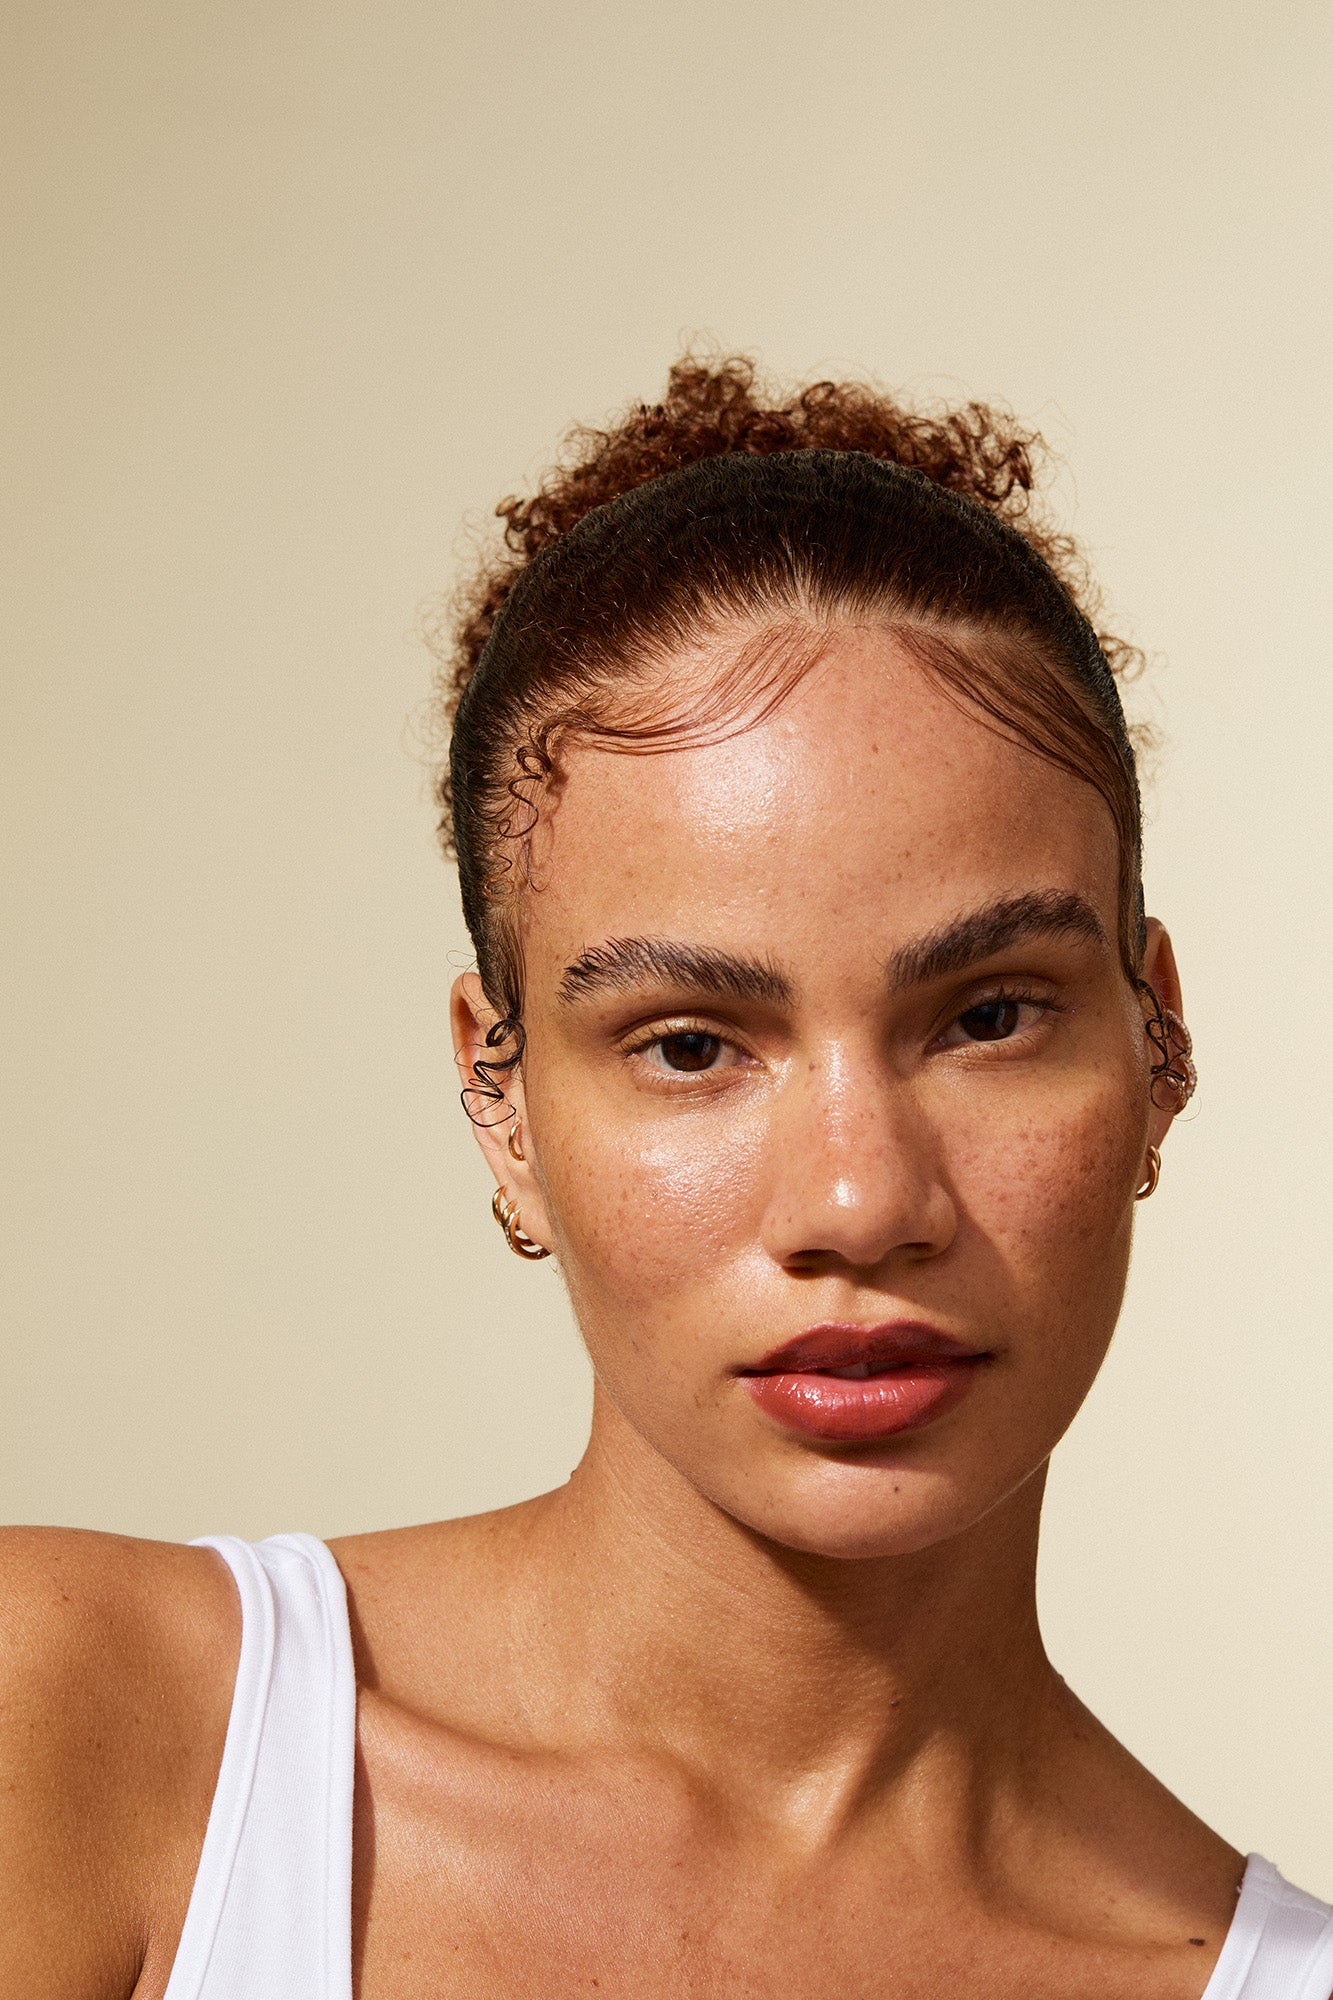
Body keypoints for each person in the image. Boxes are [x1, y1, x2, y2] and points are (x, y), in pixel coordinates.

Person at [2, 355, 1329, 2000]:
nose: (856, 1206)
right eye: (692, 1044)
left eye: (986, 1018)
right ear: (501, 1100)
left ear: (1156, 1047)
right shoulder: (85, 1732)